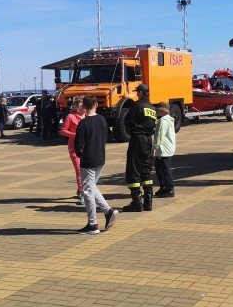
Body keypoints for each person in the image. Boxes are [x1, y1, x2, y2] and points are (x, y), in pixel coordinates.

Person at [75, 95, 118, 234]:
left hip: (88, 160)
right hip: (100, 158)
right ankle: (108, 211)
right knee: (92, 187)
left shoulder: (83, 123)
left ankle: (93, 224)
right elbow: (106, 136)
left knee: (87, 191)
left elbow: (78, 145)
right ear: (96, 105)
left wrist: (81, 155)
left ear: (83, 107)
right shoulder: (102, 120)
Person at [122, 84, 157, 212]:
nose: (137, 94)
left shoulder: (137, 105)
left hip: (137, 139)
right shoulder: (152, 107)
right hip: (148, 140)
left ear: (142, 92)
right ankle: (148, 203)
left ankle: (137, 203)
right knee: (146, 169)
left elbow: (128, 122)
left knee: (134, 169)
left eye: (138, 92)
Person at [60, 96, 86, 203]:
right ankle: (81, 192)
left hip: (86, 147)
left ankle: (82, 188)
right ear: (76, 106)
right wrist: (74, 135)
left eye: (83, 106)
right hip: (74, 147)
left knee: (86, 171)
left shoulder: (87, 115)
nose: (82, 108)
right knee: (79, 170)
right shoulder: (70, 117)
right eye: (80, 106)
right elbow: (63, 131)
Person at [153, 102, 176, 198]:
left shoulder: (163, 121)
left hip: (163, 150)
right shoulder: (168, 120)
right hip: (166, 149)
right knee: (159, 169)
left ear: (162, 111)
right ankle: (163, 187)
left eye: (157, 110)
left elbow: (159, 135)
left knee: (164, 169)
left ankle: (169, 188)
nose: (156, 112)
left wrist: (154, 147)